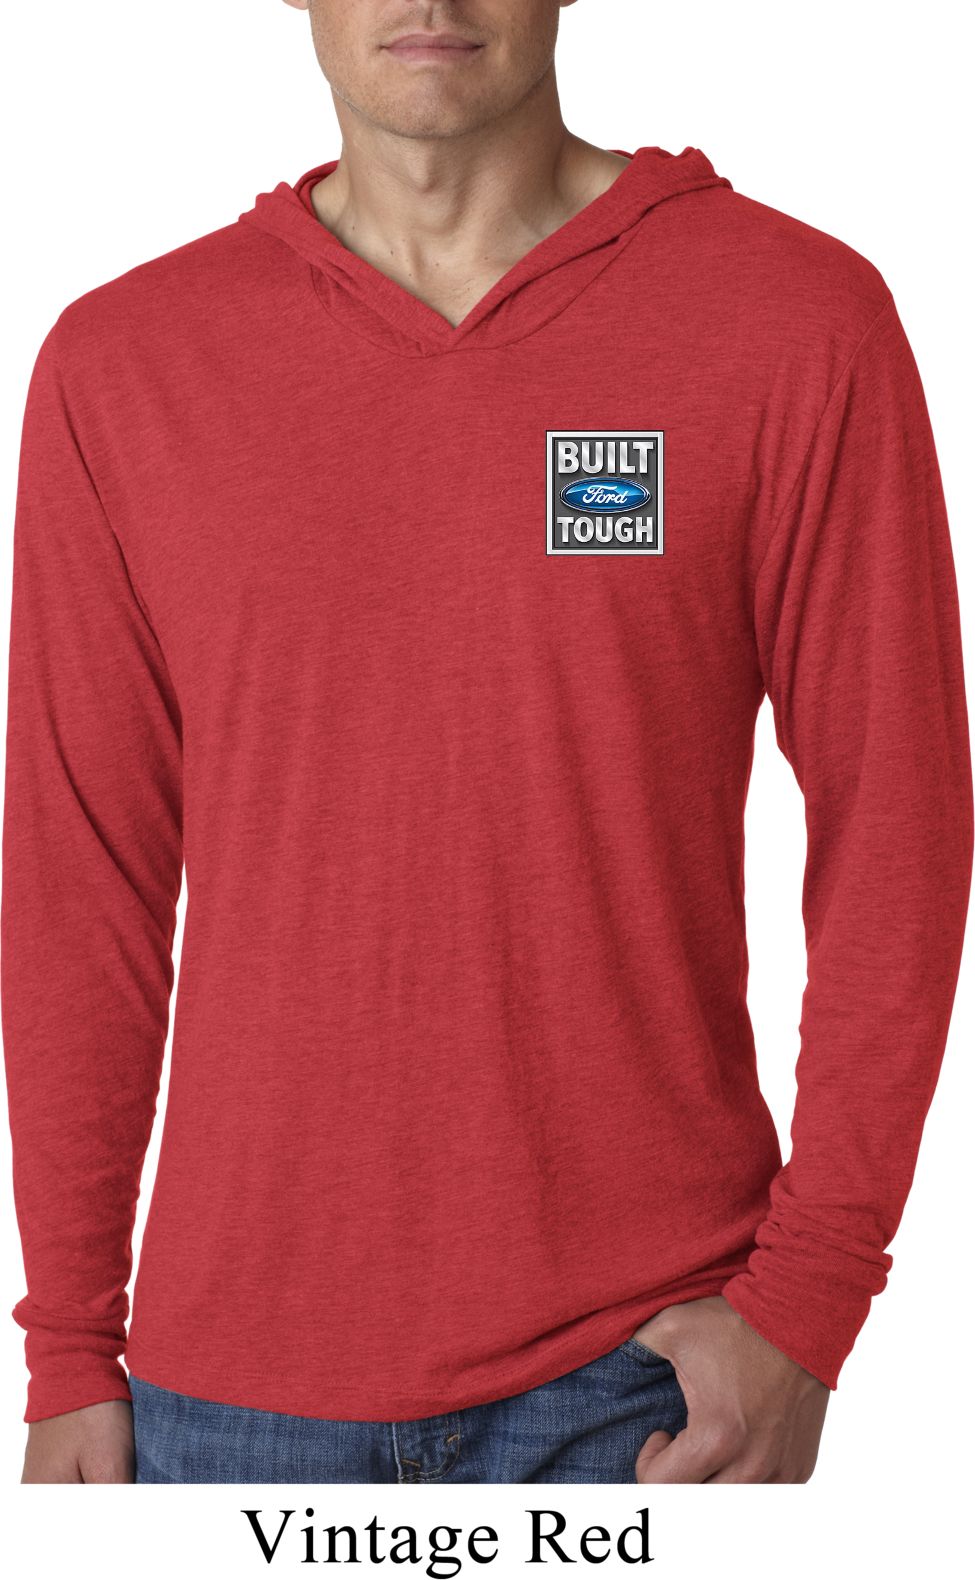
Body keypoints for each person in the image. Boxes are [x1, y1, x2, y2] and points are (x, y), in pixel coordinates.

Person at [3, 0, 971, 1487]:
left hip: (648, 1380)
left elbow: (897, 815)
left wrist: (812, 1303)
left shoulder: (791, 318)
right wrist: (70, 1343)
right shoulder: (125, 363)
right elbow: (82, 882)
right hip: (227, 1397)